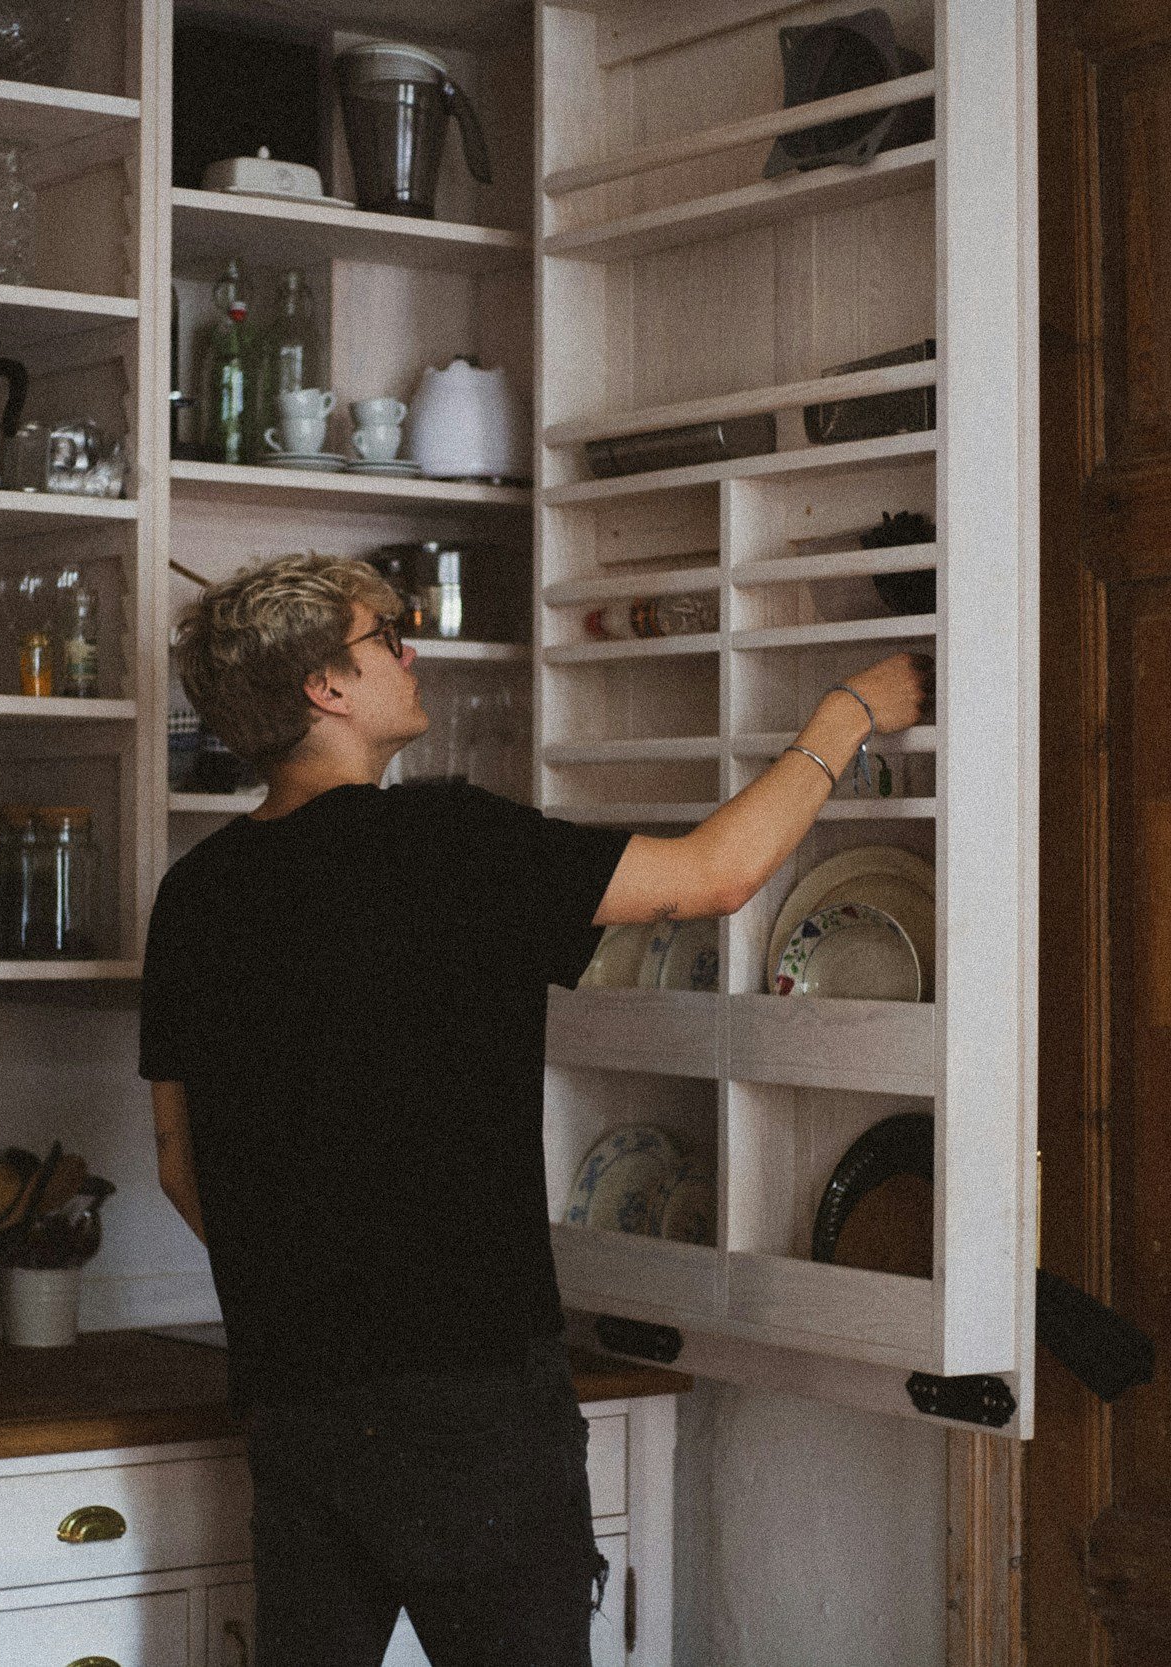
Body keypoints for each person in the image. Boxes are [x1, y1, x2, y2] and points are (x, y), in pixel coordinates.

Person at [140, 555, 928, 1667]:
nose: (413, 649)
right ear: (324, 684)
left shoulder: (196, 892)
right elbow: (713, 873)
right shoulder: (442, 841)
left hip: (296, 1401)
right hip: (472, 1407)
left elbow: (179, 1162)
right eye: (389, 634)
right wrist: (848, 712)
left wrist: (316, 1283)